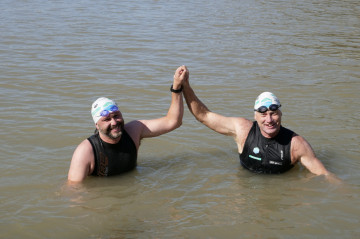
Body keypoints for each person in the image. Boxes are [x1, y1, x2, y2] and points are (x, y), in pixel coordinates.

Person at [182, 66, 334, 176]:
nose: (269, 120)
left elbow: (324, 175)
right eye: (263, 115)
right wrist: (185, 86)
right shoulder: (243, 130)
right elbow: (203, 115)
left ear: (280, 114)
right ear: (255, 116)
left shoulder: (296, 144)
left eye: (273, 113)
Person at [67, 66, 188, 183]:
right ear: (97, 125)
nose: (114, 122)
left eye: (116, 116)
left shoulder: (134, 130)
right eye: (106, 119)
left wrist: (177, 86)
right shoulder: (85, 152)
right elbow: (75, 192)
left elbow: (173, 122)